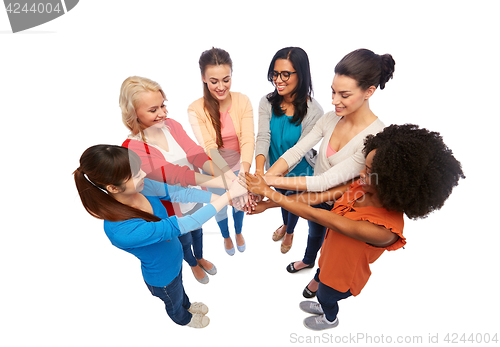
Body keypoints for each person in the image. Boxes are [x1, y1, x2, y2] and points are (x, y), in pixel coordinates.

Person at [243, 124, 465, 330]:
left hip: (342, 279)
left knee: (326, 296)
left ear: (394, 181)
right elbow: (316, 198)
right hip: (329, 259)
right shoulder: (361, 186)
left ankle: (329, 317)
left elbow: (319, 215)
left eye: (369, 171)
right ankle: (322, 298)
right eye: (366, 168)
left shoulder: (383, 231)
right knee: (321, 274)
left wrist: (269, 191)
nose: (362, 174)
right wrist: (267, 205)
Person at [74, 145, 246, 328]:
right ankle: (184, 318)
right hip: (162, 277)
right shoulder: (120, 229)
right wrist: (227, 196)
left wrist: (223, 198)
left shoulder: (142, 186)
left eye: (139, 168)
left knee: (180, 290)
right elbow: (188, 223)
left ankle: (187, 305)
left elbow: (180, 192)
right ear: (113, 188)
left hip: (175, 262)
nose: (143, 174)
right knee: (173, 300)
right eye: (135, 174)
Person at [263, 49, 395, 286]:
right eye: (333, 92)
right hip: (317, 195)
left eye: (344, 95)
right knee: (314, 233)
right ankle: (308, 260)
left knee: (331, 245)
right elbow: (296, 151)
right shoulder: (331, 118)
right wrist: (267, 176)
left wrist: (266, 183)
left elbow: (326, 182)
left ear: (369, 92)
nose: (334, 101)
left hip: (345, 205)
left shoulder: (375, 136)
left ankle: (318, 277)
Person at [120, 76, 237, 283]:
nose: (163, 113)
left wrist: (220, 173)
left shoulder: (171, 125)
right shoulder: (132, 147)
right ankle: (192, 263)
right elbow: (174, 174)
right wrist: (221, 183)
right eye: (153, 110)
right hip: (171, 206)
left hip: (194, 194)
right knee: (183, 239)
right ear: (133, 113)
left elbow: (195, 153)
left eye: (163, 106)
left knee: (198, 230)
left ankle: (200, 256)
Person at [255, 47, 324, 253]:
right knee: (281, 199)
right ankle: (285, 225)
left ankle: (290, 230)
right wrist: (260, 174)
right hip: (271, 169)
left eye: (286, 74)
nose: (278, 79)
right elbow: (263, 137)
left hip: (298, 170)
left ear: (301, 75)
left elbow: (297, 152)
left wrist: (265, 181)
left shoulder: (315, 111)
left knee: (291, 202)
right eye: (275, 74)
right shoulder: (266, 102)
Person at [188, 47, 255, 255]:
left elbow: (247, 139)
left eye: (226, 79)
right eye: (214, 81)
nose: (221, 86)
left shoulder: (242, 100)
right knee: (221, 205)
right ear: (203, 78)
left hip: (240, 166)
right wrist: (230, 179)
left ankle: (238, 231)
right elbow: (210, 147)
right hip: (215, 169)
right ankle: (226, 235)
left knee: (240, 203)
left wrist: (242, 177)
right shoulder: (195, 109)